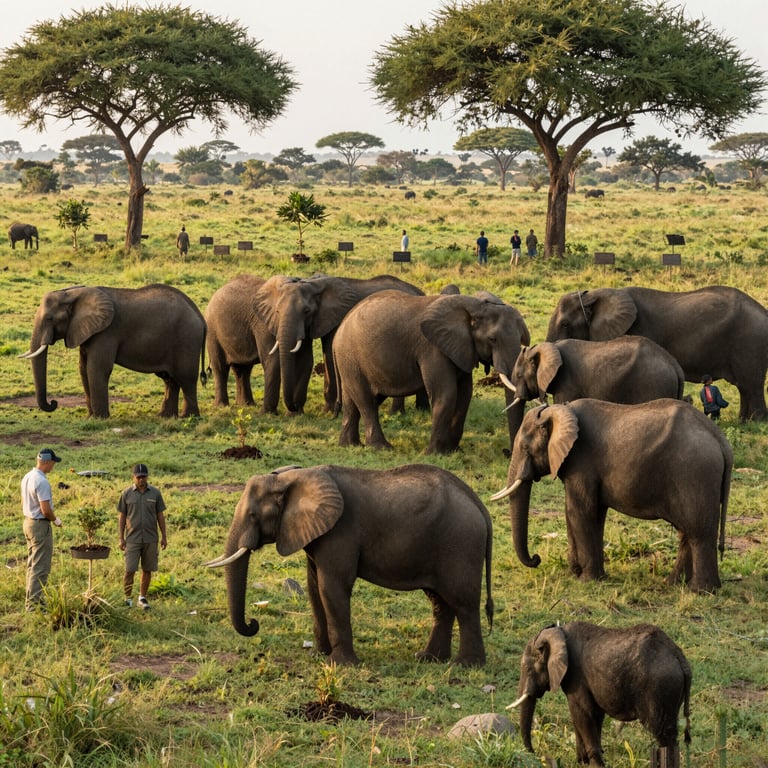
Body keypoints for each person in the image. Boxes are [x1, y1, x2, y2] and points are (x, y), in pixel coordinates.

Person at [118, 463, 168, 609]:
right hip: (132, 538)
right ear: (133, 477)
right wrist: (121, 538)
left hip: (151, 538)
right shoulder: (126, 494)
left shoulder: (155, 493)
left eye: (143, 477)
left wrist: (164, 536)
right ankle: (127, 598)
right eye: (138, 477)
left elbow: (160, 515)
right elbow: (122, 516)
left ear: (147, 477)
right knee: (130, 569)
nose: (141, 479)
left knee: (147, 569)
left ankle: (142, 597)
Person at [21, 448, 63, 611]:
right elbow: (45, 509)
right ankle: (33, 605)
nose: (53, 465)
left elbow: (23, 502)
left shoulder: (27, 477)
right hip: (39, 525)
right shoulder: (42, 481)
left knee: (32, 564)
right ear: (46, 462)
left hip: (28, 522)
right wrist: (56, 520)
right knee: (40, 566)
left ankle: (32, 599)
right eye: (52, 462)